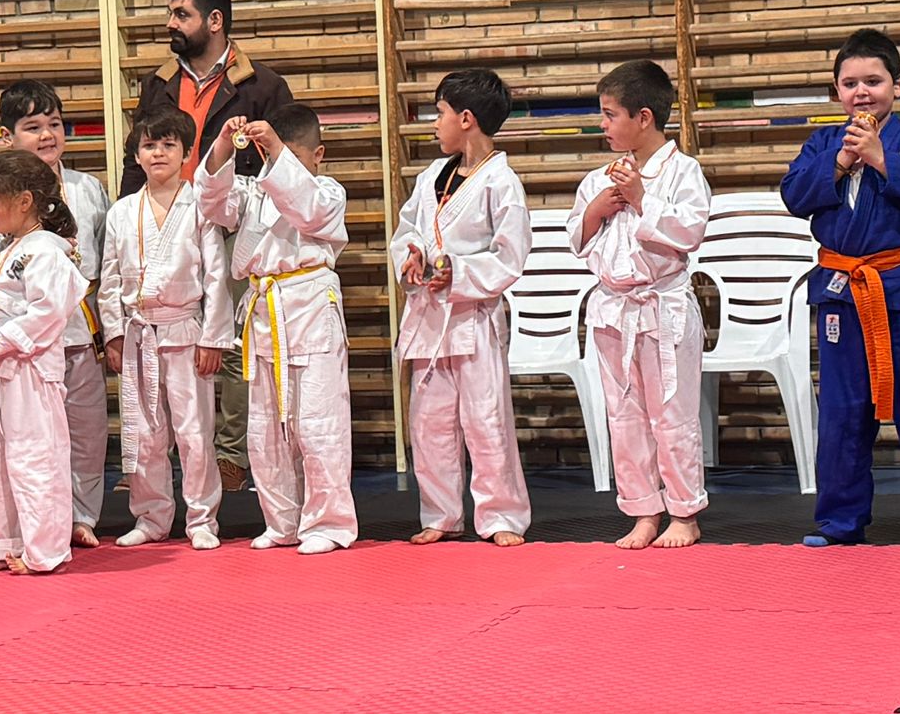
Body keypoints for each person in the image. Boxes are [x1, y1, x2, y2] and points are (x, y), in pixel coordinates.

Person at [780, 29, 900, 551]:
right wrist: (839, 164)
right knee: (842, 409)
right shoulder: (823, 144)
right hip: (841, 290)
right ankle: (840, 521)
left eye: (874, 81)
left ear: (898, 86)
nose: (862, 92)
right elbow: (794, 196)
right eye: (850, 83)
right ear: (837, 90)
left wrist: (883, 159)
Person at [123, 0, 297, 494]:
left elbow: (283, 163)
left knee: (234, 341)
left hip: (234, 221)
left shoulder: (262, 85)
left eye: (182, 14)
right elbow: (138, 151)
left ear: (215, 21)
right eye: (171, 14)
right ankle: (159, 456)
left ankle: (231, 454)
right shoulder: (158, 83)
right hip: (166, 217)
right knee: (164, 338)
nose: (170, 23)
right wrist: (128, 212)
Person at [196, 104, 358, 555]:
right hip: (264, 311)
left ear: (317, 154)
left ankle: (328, 523)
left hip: (310, 306)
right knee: (266, 427)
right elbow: (211, 202)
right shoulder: (253, 193)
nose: (281, 165)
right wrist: (224, 146)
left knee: (318, 422)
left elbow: (306, 210)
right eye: (274, 156)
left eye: (292, 156)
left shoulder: (329, 192)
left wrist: (276, 151)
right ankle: (281, 520)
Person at [569, 60, 712, 549]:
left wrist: (641, 198)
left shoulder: (684, 171)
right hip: (613, 310)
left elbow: (689, 232)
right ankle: (643, 511)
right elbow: (578, 240)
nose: (603, 125)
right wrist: (595, 210)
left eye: (610, 115)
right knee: (624, 417)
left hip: (663, 309)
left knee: (672, 415)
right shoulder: (599, 178)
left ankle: (685, 512)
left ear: (644, 117)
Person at [391, 69, 534, 547]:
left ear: (466, 118)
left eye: (441, 113)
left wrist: (459, 271)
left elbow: (510, 256)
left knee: (486, 419)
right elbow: (408, 230)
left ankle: (501, 516)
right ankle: (441, 513)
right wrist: (412, 255)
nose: (435, 123)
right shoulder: (432, 176)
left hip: (474, 316)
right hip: (430, 316)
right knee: (429, 423)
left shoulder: (501, 182)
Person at [98, 108, 232, 549]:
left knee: (194, 433)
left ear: (187, 153)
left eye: (169, 145)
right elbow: (110, 278)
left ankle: (202, 520)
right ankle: (151, 517)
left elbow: (216, 276)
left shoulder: (200, 207)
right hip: (138, 335)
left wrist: (213, 337)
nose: (158, 153)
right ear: (137, 154)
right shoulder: (121, 212)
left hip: (184, 331)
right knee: (145, 434)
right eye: (149, 145)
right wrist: (114, 334)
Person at [0, 81, 111, 547]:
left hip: (80, 331)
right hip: (24, 338)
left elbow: (107, 263)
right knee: (32, 437)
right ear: (8, 137)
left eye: (55, 124)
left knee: (86, 431)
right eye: (33, 127)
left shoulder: (89, 189)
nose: (47, 135)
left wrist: (110, 330)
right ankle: (38, 520)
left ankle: (82, 516)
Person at [0, 150, 89, 575]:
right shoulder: (11, 249)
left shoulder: (45, 251)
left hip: (30, 368)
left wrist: (2, 340)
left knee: (36, 459)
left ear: (24, 201)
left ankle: (45, 550)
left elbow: (49, 311)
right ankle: (8, 543)